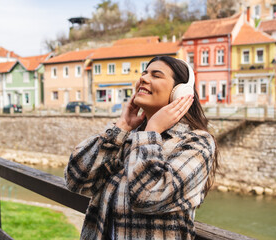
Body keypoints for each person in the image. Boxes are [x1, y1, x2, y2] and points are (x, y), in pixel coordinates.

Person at [65, 56, 219, 240]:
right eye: (144, 73)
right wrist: (121, 128)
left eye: (156, 75)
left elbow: (148, 197)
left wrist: (151, 131)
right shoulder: (127, 136)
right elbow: (76, 180)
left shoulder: (196, 143)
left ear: (180, 92)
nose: (144, 78)